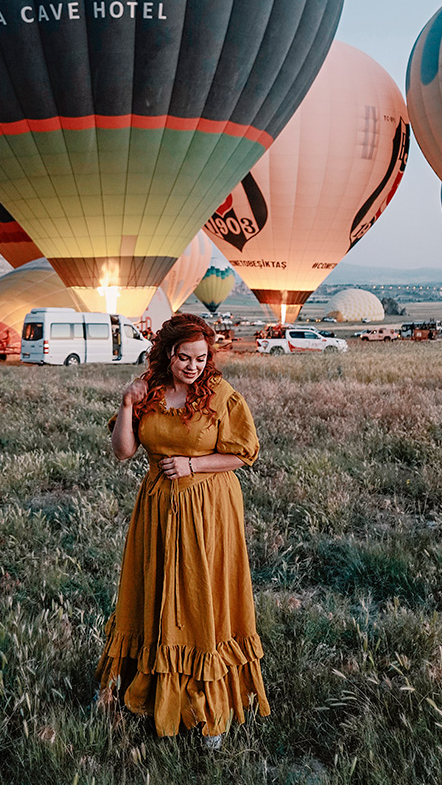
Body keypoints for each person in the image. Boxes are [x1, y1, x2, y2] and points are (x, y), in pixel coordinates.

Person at [95, 312, 269, 748]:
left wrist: (193, 464)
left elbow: (245, 454)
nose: (193, 366)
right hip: (157, 507)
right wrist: (126, 405)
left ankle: (208, 706)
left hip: (208, 507)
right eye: (184, 357)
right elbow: (123, 452)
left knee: (200, 596)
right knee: (153, 591)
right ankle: (149, 692)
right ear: (166, 354)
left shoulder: (221, 395)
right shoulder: (148, 391)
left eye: (201, 358)